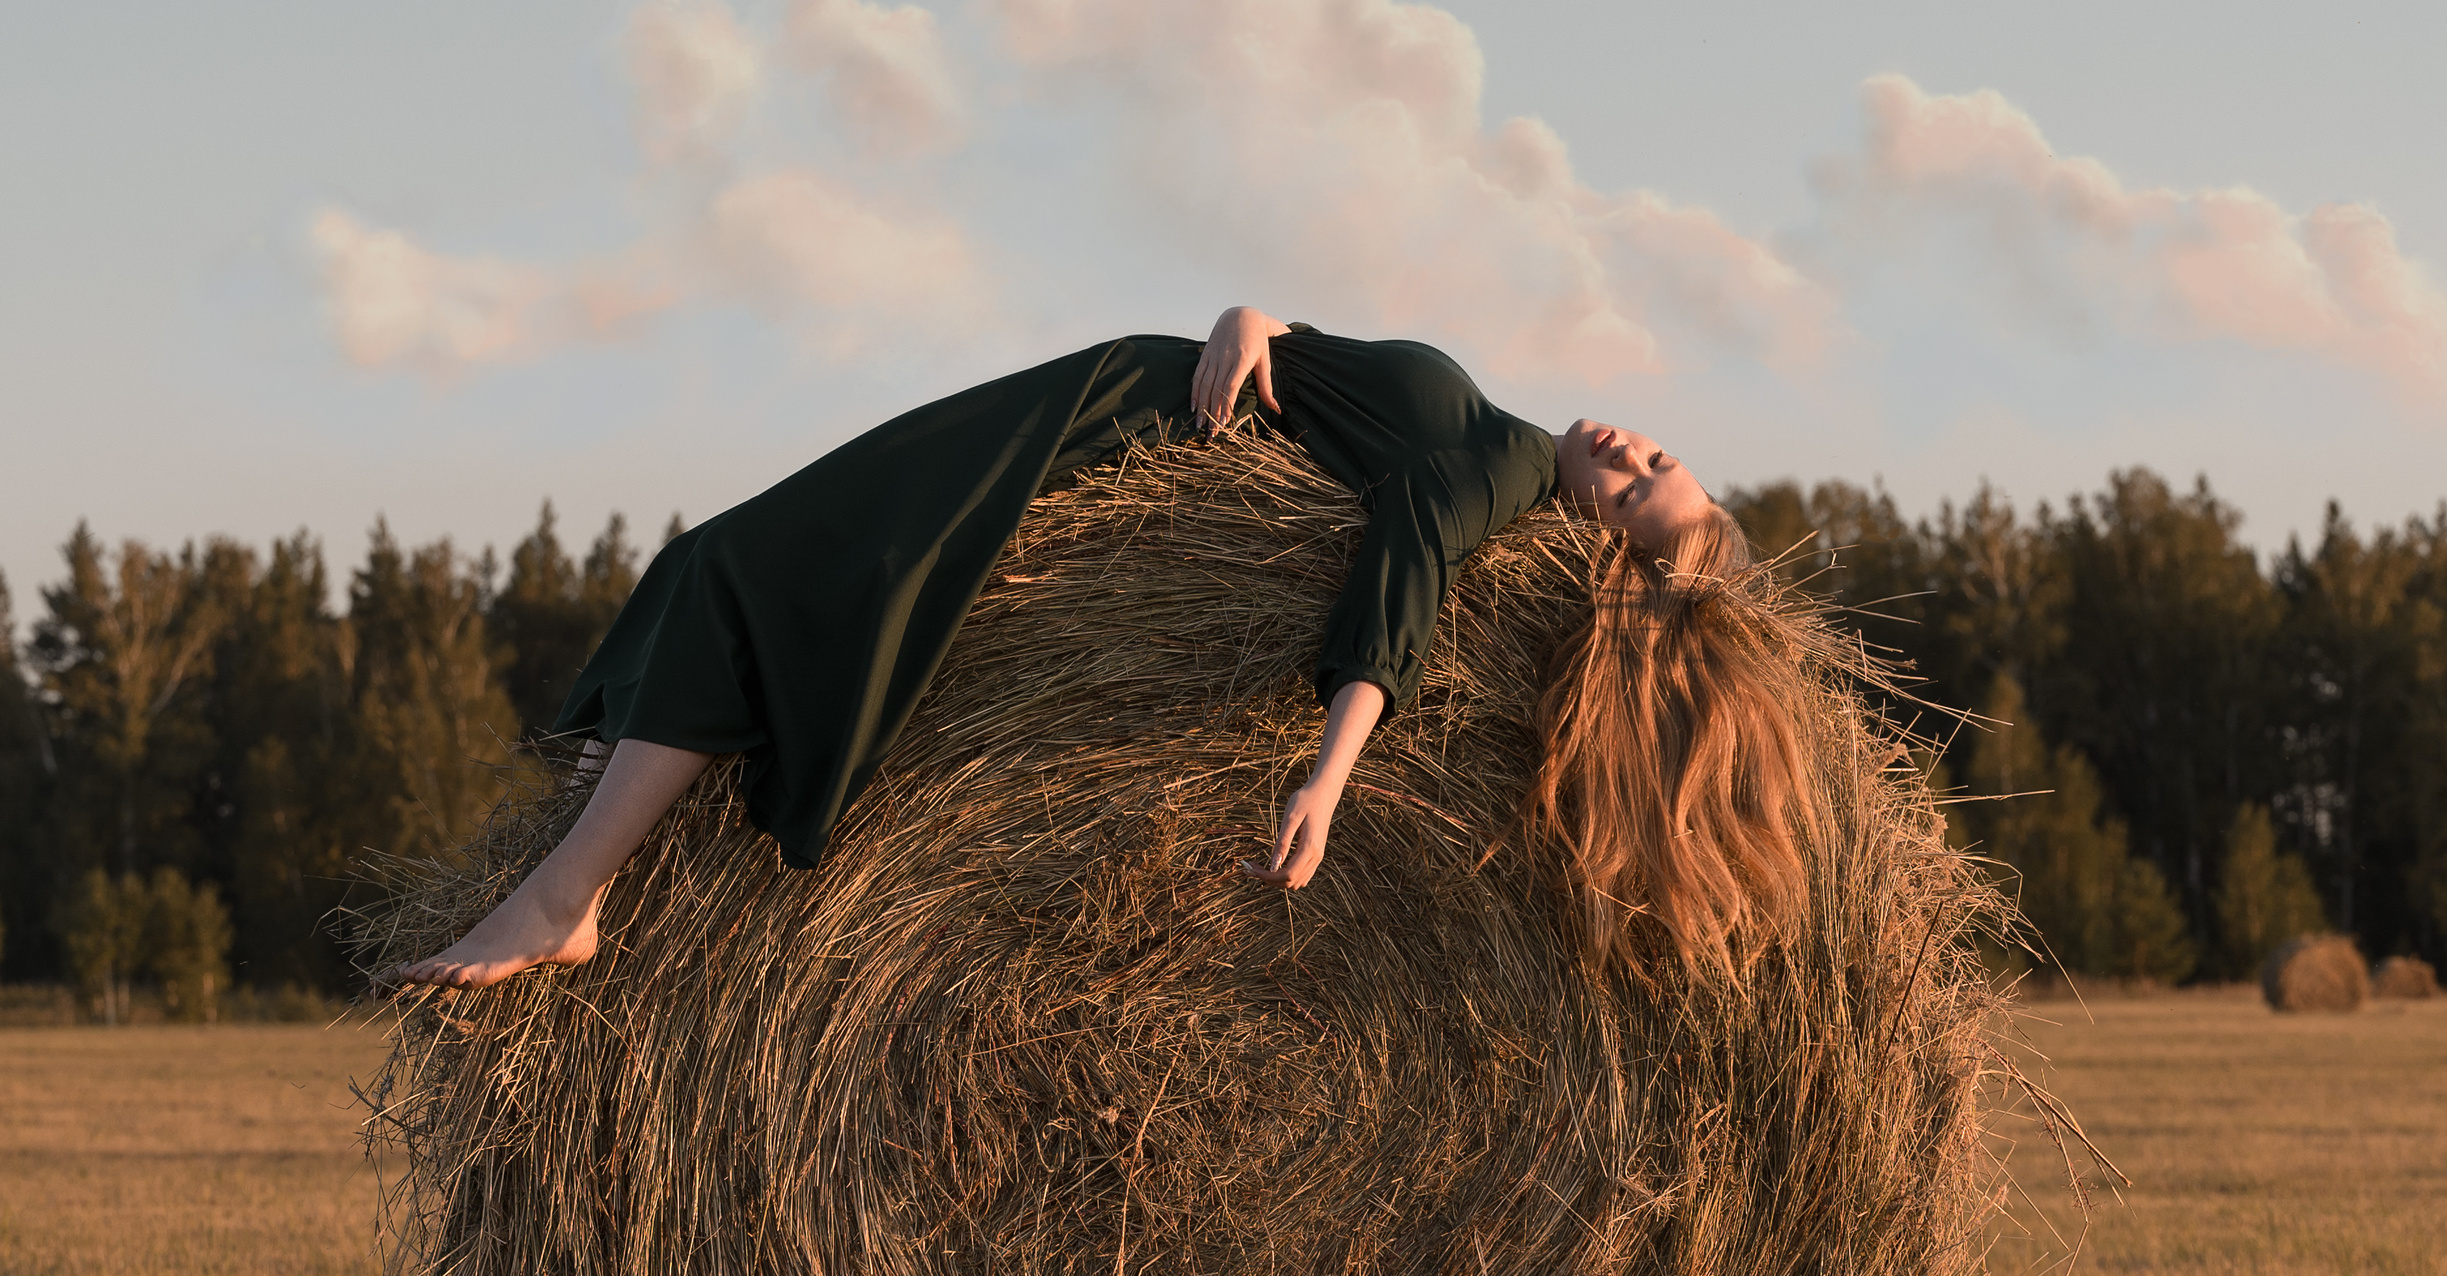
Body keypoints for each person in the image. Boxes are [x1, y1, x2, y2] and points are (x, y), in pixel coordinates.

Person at [394, 306, 1816, 989]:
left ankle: (569, 893)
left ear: (1590, 540)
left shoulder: (1489, 474)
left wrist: (1331, 775)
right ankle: (579, 859)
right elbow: (1305, 371)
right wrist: (1256, 317)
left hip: (1094, 433)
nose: (1628, 450)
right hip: (1114, 406)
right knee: (751, 562)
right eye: (1656, 453)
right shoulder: (1495, 432)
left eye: (1633, 492)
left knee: (757, 566)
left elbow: (1402, 591)